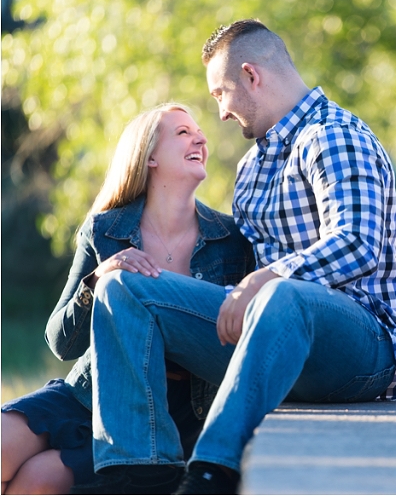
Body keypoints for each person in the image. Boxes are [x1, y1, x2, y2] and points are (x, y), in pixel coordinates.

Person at [77, 18, 396, 495]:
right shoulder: (251, 169)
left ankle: (211, 471)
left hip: (362, 347)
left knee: (285, 295)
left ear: (252, 76)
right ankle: (140, 473)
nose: (221, 115)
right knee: (122, 288)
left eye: (220, 95)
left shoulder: (333, 137)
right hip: (269, 340)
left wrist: (267, 278)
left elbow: (358, 243)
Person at [1, 103, 255, 494]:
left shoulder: (233, 240)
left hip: (166, 417)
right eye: (183, 133)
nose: (200, 138)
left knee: (36, 480)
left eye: (198, 132)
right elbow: (61, 343)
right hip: (88, 392)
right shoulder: (104, 229)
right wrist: (98, 279)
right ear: (149, 155)